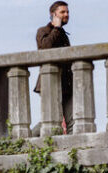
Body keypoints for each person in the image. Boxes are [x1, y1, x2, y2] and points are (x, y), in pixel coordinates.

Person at [34, 1, 73, 134]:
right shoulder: (43, 31)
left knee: (73, 120)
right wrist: (56, 28)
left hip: (67, 84)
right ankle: (23, 141)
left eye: (67, 12)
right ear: (53, 14)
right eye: (62, 12)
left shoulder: (63, 34)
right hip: (50, 83)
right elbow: (45, 48)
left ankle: (72, 149)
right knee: (51, 120)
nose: (66, 14)